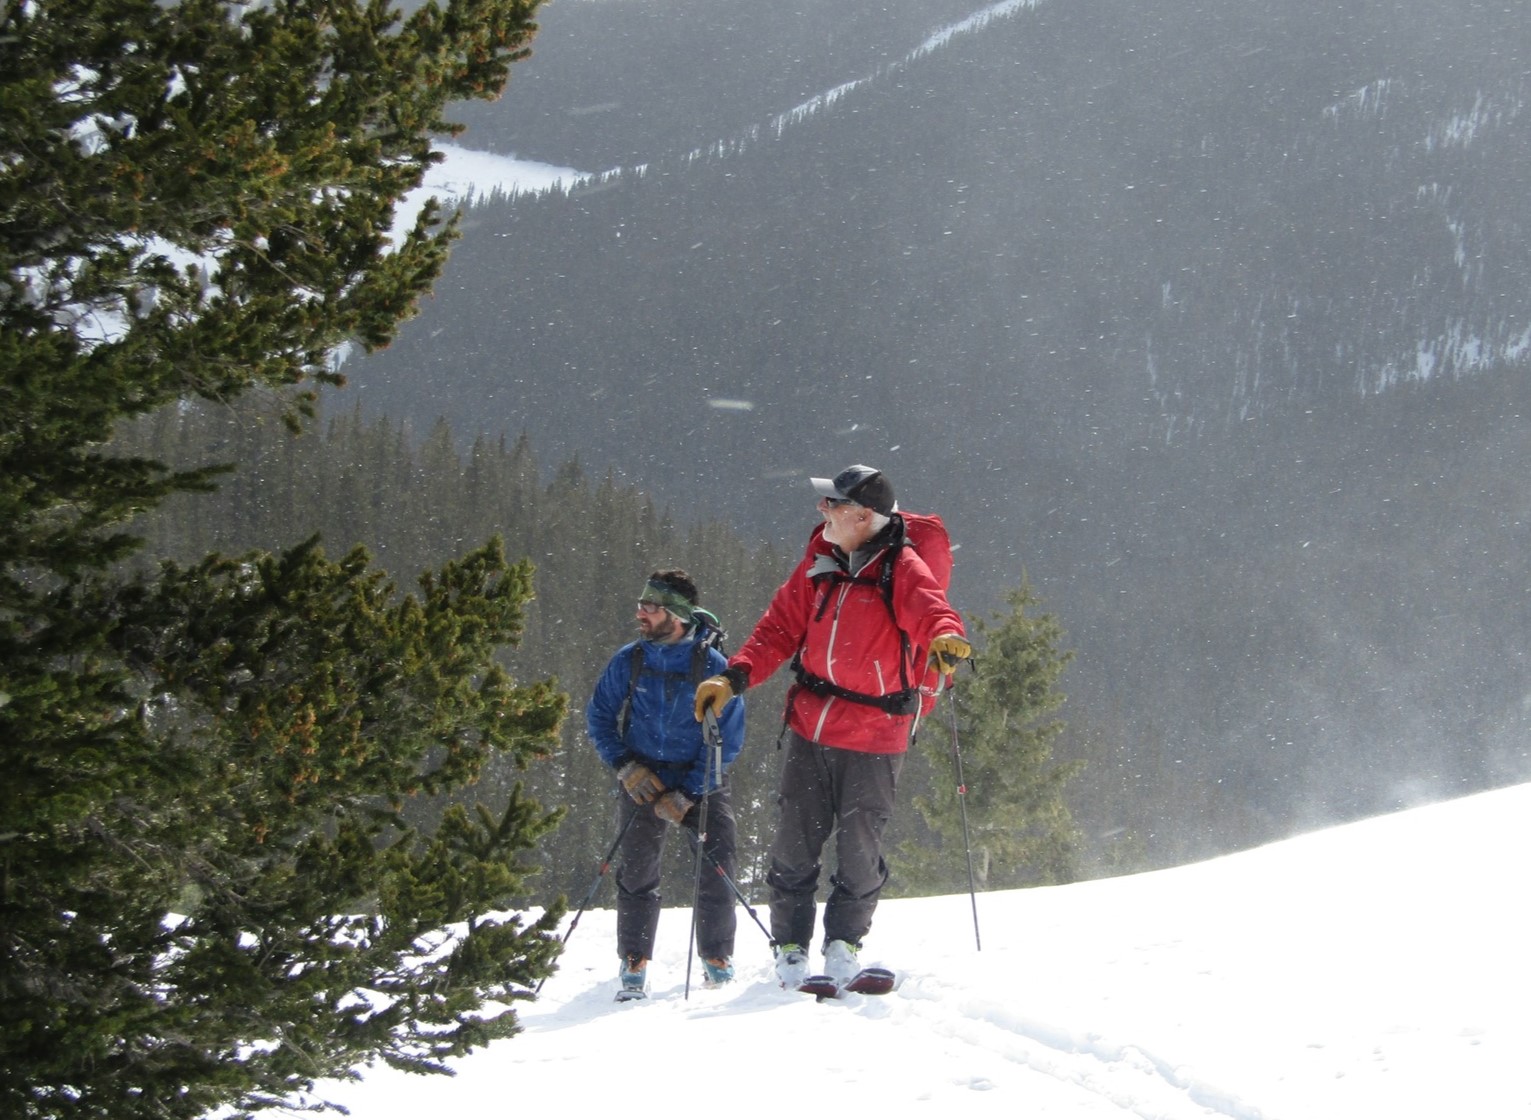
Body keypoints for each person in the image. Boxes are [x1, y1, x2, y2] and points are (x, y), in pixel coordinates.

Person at [694, 465, 970, 989]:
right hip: (810, 725)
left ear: (863, 517)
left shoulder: (902, 567)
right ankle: (792, 948)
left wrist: (946, 637)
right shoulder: (819, 564)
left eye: (832, 505)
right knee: (794, 844)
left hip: (876, 733)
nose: (822, 511)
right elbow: (778, 628)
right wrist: (734, 677)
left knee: (860, 847)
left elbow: (933, 611)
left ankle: (844, 945)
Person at [586, 568, 746, 999]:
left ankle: (716, 956)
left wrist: (690, 792)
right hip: (643, 776)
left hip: (700, 780)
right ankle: (634, 958)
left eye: (651, 606)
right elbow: (598, 716)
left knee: (717, 868)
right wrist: (625, 766)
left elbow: (727, 742)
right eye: (641, 604)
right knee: (637, 871)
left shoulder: (713, 668)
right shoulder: (630, 659)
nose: (640, 613)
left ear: (675, 615)